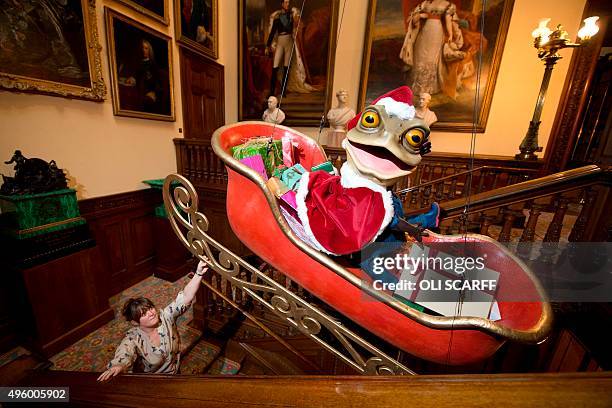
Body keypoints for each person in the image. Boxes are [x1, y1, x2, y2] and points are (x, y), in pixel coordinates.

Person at [96, 261, 209, 381]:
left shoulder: (165, 317)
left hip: (176, 372)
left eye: (150, 308)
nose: (151, 313)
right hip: (153, 382)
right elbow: (125, 353)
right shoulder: (134, 338)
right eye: (144, 314)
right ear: (135, 322)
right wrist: (118, 366)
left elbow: (185, 297)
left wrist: (198, 273)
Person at [399, 0, 465, 99]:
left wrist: (450, 35)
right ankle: (417, 87)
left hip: (436, 32)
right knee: (420, 53)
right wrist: (419, 16)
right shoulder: (426, 3)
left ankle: (429, 88)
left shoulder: (446, 4)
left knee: (431, 56)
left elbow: (448, 20)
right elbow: (419, 15)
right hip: (425, 31)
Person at [265, 0, 315, 97]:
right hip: (280, 42)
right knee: (275, 67)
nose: (288, 4)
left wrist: (296, 19)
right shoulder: (277, 18)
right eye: (286, 2)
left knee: (286, 67)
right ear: (282, 4)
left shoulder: (292, 16)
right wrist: (267, 46)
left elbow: (297, 26)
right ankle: (271, 92)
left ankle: (283, 92)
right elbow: (272, 33)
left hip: (289, 42)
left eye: (288, 2)